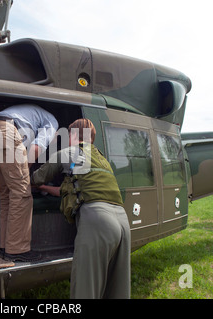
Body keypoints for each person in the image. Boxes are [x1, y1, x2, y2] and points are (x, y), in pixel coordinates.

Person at [30, 118, 131, 299]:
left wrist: (34, 181)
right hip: (122, 222)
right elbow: (76, 188)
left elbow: (38, 177)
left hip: (98, 221)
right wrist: (46, 189)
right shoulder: (101, 158)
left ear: (73, 135)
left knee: (86, 287)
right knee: (117, 289)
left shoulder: (69, 153)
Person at [0, 104, 58, 262]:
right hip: (5, 131)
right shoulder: (52, 122)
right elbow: (37, 148)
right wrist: (24, 173)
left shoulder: (36, 115)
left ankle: (5, 247)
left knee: (6, 193)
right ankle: (17, 250)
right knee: (22, 193)